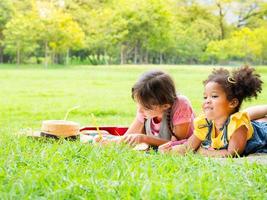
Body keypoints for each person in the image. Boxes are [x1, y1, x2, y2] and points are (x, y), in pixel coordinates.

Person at [159, 66, 267, 157]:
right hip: (252, 122)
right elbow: (188, 147)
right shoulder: (205, 124)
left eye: (214, 96)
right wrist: (170, 151)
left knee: (256, 119)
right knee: (250, 115)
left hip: (263, 134)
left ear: (232, 103)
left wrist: (203, 152)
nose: (207, 101)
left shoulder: (237, 126)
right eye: (205, 97)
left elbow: (231, 153)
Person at [121, 69, 195, 147]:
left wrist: (145, 139)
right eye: (138, 105)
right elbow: (127, 137)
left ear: (165, 106)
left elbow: (178, 144)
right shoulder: (145, 107)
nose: (139, 111)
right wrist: (109, 138)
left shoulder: (181, 104)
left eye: (145, 108)